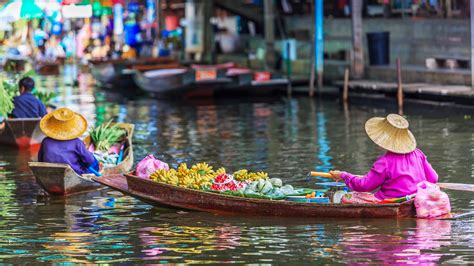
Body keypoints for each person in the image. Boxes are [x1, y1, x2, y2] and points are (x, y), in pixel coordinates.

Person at [329, 114, 438, 204]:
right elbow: (433, 178)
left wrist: (343, 175)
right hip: (415, 198)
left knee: (346, 197)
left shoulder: (384, 162)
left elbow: (364, 185)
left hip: (390, 201)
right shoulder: (418, 154)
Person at [38, 108, 101, 176]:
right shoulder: (77, 142)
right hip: (74, 172)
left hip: (50, 172)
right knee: (93, 161)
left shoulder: (46, 141)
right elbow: (90, 160)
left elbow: (40, 159)